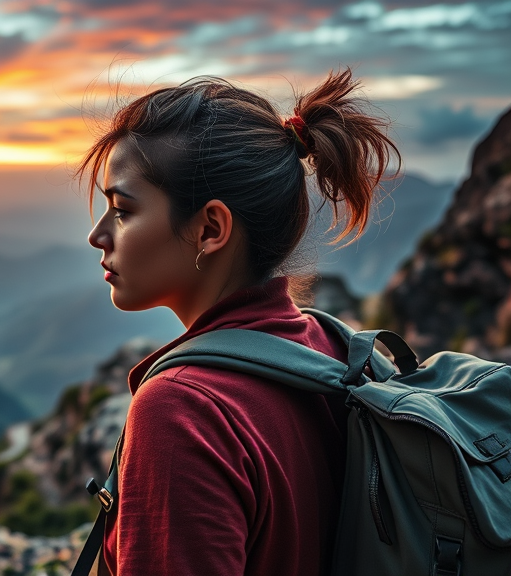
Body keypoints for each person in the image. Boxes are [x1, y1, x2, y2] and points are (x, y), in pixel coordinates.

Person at [79, 68, 399, 575]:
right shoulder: (332, 350)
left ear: (210, 228)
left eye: (121, 210)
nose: (98, 235)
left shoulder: (182, 411)